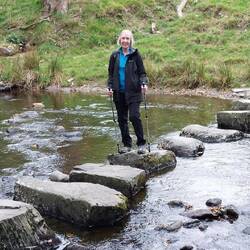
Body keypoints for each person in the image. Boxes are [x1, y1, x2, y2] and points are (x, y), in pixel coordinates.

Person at [107, 29, 148, 154]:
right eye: (123, 38)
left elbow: (142, 73)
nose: (125, 41)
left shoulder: (135, 55)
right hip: (119, 92)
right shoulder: (115, 55)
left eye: (127, 38)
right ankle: (127, 144)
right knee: (122, 119)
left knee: (134, 117)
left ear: (131, 41)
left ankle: (141, 144)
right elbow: (110, 74)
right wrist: (109, 86)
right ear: (120, 40)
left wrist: (144, 83)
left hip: (134, 91)